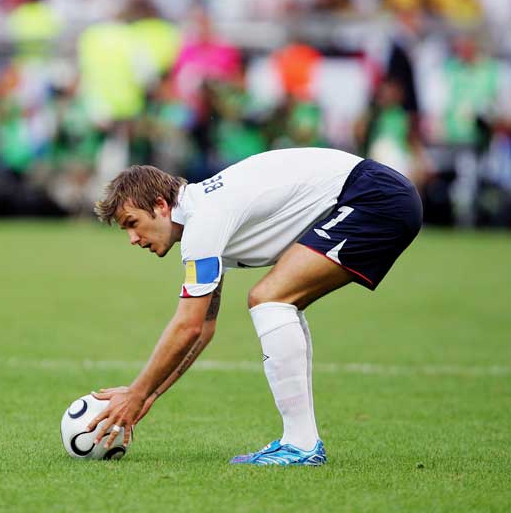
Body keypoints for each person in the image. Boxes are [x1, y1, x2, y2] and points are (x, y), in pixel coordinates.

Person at [86, 148, 422, 465]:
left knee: (270, 298)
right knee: (277, 300)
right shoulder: (201, 216)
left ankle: (301, 444)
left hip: (374, 198)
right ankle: (300, 442)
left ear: (160, 205)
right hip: (374, 194)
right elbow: (202, 328)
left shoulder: (204, 221)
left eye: (132, 222)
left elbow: (187, 325)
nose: (132, 238)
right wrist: (147, 395)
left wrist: (136, 393)